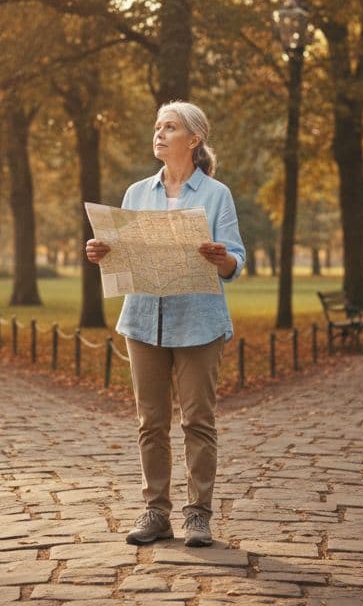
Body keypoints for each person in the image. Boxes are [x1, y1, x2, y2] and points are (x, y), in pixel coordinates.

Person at [84, 100, 246, 548]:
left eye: (169, 127)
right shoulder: (137, 193)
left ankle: (199, 515)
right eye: (157, 126)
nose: (159, 133)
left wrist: (222, 258)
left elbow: (237, 259)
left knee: (198, 420)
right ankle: (156, 512)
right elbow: (121, 255)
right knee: (150, 423)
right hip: (143, 320)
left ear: (193, 140)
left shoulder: (217, 195)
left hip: (199, 322)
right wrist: (102, 253)